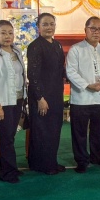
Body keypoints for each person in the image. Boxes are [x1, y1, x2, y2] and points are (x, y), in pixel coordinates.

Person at [65, 16, 100, 173]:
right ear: (85, 30)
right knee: (79, 132)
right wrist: (87, 85)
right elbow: (70, 72)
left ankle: (96, 157)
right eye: (93, 28)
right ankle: (81, 160)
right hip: (81, 99)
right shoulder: (76, 49)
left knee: (98, 131)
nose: (96, 32)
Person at [0, 20, 27, 183]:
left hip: (18, 100)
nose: (7, 36)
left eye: (10, 32)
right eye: (3, 33)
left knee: (10, 136)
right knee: (6, 137)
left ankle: (10, 167)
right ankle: (7, 172)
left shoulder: (16, 51)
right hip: (3, 103)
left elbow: (21, 75)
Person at [27, 13, 66, 175]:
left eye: (51, 24)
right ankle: (42, 165)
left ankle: (51, 161)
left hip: (55, 94)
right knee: (42, 130)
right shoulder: (35, 46)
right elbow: (33, 74)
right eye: (45, 24)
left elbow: (61, 70)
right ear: (38, 27)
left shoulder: (57, 45)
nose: (49, 27)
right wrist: (40, 98)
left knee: (54, 129)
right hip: (41, 96)